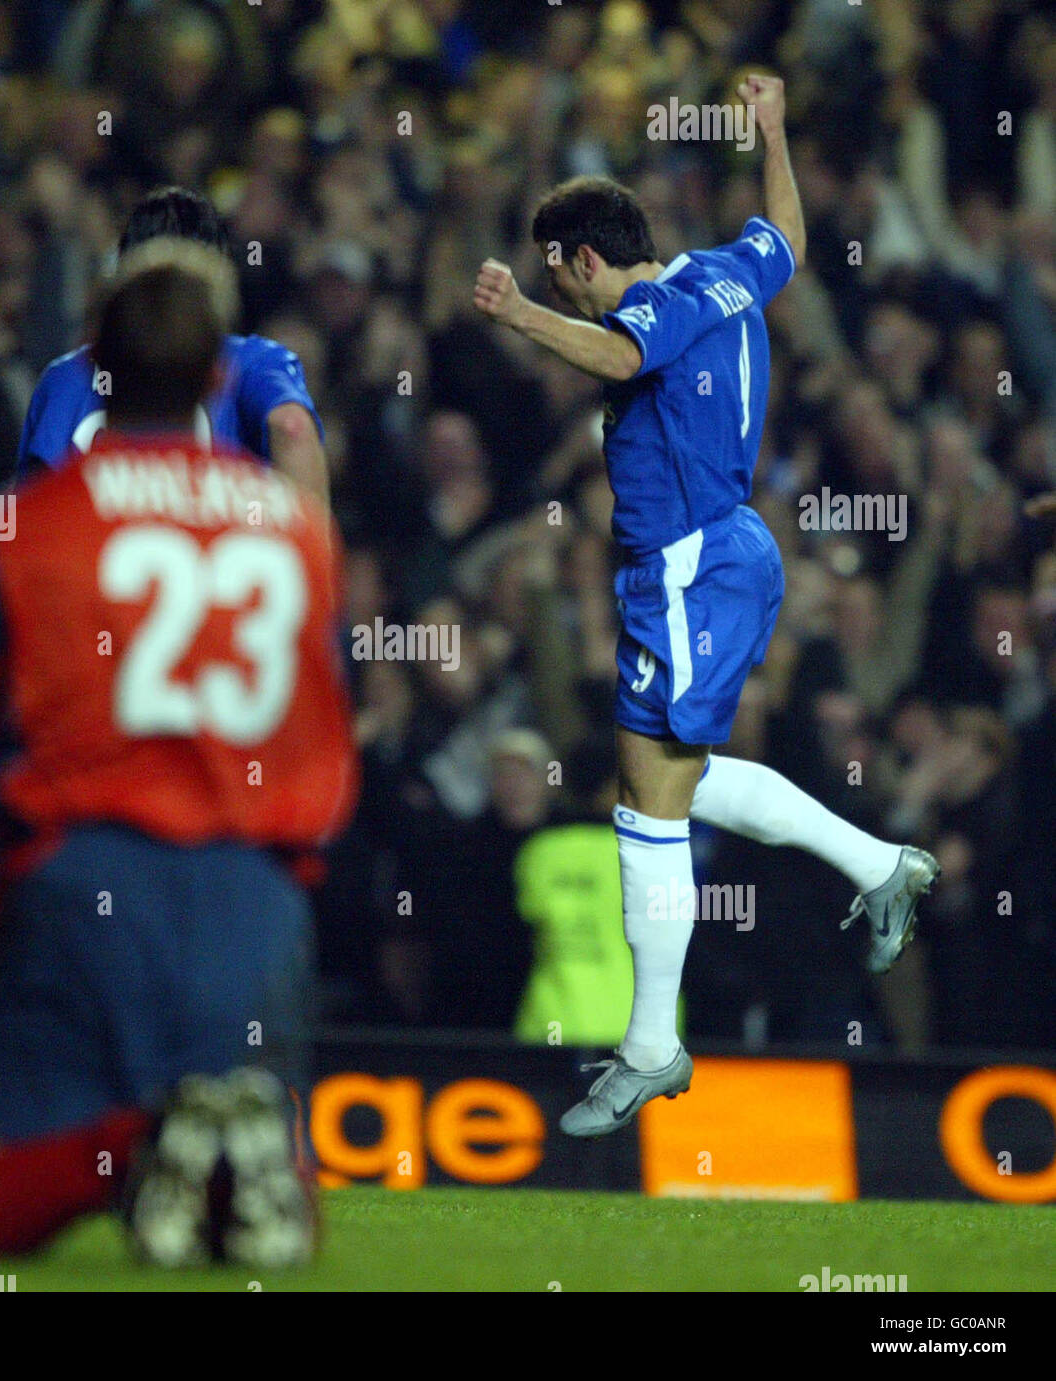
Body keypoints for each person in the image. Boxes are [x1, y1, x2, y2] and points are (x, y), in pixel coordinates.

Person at [0, 240, 358, 1266]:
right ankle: (209, 1134)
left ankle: (139, 1141)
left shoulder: (28, 527)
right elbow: (322, 736)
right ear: (217, 377)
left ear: (93, 371)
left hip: (85, 883)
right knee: (269, 1228)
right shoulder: (297, 533)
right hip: (255, 895)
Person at [473, 74, 938, 1138]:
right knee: (665, 779)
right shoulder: (729, 271)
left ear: (582, 259)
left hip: (688, 564)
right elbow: (787, 231)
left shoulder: (651, 307)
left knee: (648, 801)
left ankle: (650, 1047)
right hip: (720, 553)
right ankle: (879, 867)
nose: (573, 292)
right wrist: (773, 129)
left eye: (565, 275)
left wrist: (519, 314)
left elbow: (618, 350)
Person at [19, 186, 329, 504]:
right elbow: (291, 429)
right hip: (217, 546)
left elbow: (39, 495)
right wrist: (305, 548)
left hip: (91, 548)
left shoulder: (69, 373)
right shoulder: (251, 360)